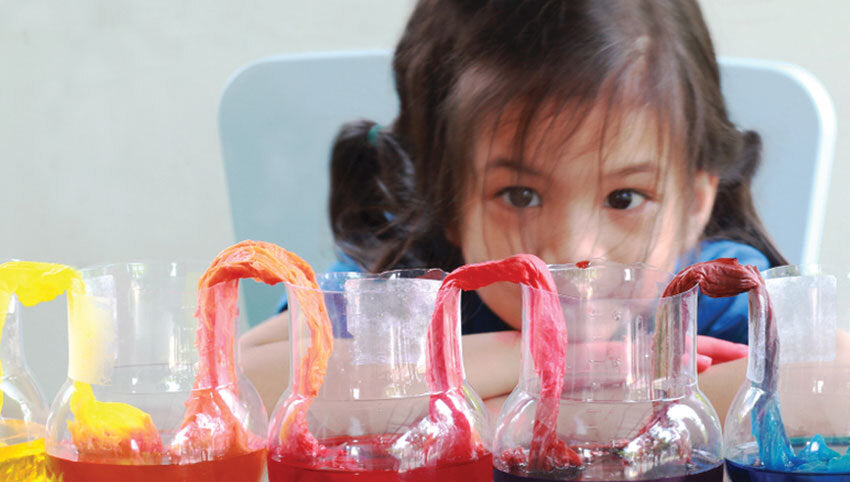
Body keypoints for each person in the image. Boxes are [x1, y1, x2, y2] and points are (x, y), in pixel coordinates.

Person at [241, 0, 786, 415]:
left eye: (624, 198)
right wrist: (544, 362)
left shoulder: (708, 292)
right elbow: (243, 381)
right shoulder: (399, 290)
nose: (574, 251)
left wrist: (463, 409)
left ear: (694, 203)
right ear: (448, 200)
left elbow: (839, 386)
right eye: (520, 195)